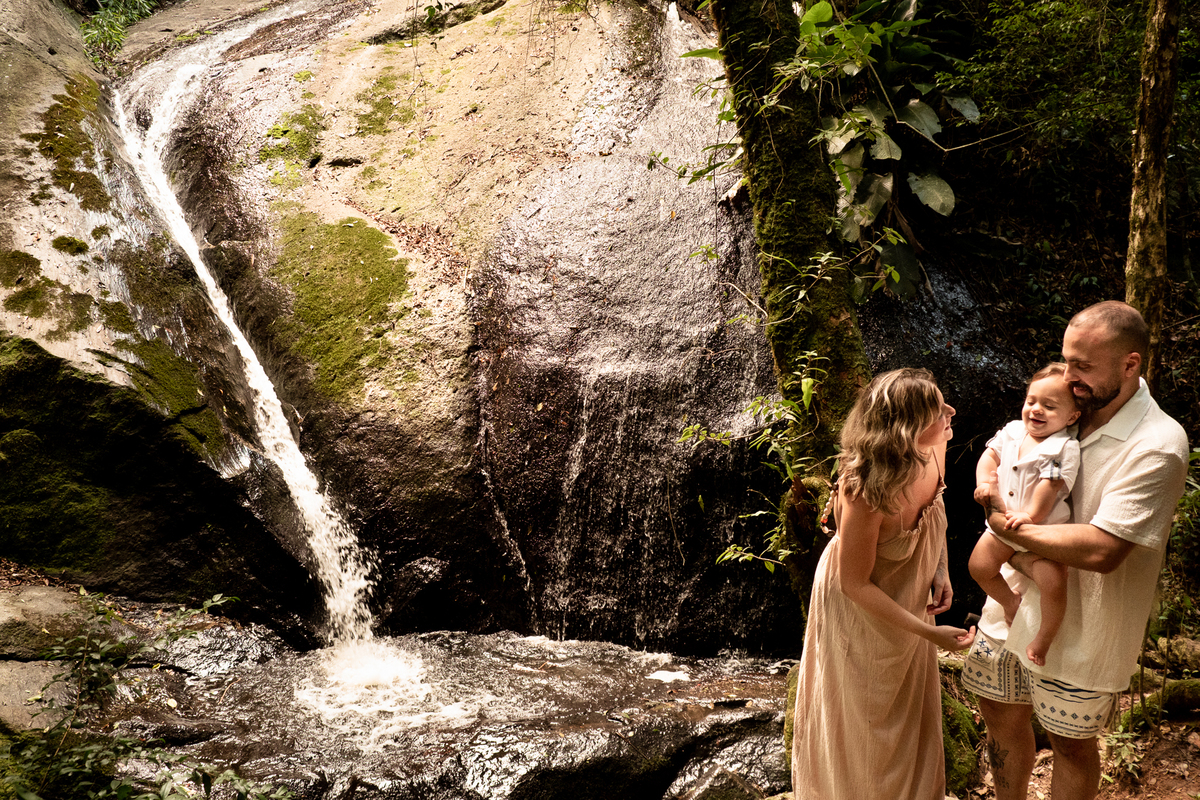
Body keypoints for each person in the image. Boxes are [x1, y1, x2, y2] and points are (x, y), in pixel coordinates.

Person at [962, 301, 1189, 800]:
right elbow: (1000, 455)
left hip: (1084, 630)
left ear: (1131, 364)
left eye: (1083, 366)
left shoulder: (1158, 443)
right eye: (1066, 361)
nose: (1069, 376)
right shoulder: (1058, 407)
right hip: (1008, 606)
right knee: (997, 710)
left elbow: (1103, 550)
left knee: (1069, 744)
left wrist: (1006, 535)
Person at [792, 368, 976, 800]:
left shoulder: (935, 447)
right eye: (938, 408)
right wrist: (928, 632)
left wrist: (939, 569)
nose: (951, 412)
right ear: (908, 428)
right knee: (864, 729)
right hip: (858, 610)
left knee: (909, 727)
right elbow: (853, 584)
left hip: (908, 598)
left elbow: (937, 507)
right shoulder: (865, 489)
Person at [969, 363, 1081, 667]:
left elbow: (1050, 485)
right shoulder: (1013, 431)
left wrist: (1031, 516)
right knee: (978, 565)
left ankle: (1043, 640)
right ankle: (1010, 602)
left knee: (1053, 583)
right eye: (1031, 401)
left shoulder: (1063, 447)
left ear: (1072, 416)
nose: (1036, 410)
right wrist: (984, 483)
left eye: (1049, 406)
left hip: (1042, 531)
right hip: (1004, 524)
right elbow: (989, 456)